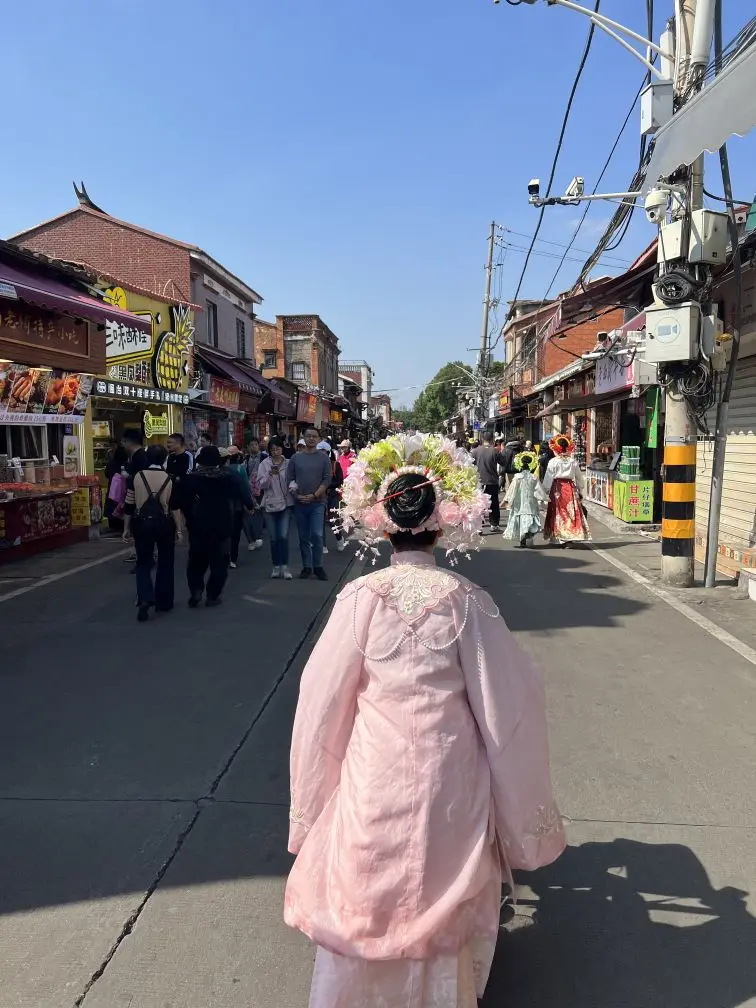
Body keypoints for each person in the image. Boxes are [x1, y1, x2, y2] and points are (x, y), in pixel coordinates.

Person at [285, 432, 565, 1008]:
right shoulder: (466, 598)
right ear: (440, 525)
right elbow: (508, 701)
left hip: (376, 768)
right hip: (448, 768)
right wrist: (515, 800)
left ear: (383, 524)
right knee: (441, 873)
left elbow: (321, 701)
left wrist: (314, 798)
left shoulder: (360, 598)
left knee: (370, 875)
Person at [179, 446, 253, 607]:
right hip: (222, 524)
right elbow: (244, 494)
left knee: (196, 561)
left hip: (198, 525)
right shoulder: (228, 477)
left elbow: (182, 501)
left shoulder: (192, 479)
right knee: (220, 562)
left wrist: (188, 517)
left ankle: (196, 590)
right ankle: (212, 594)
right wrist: (249, 505)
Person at [122, 444, 175, 622]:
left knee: (143, 562)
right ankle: (164, 601)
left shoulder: (136, 477)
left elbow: (129, 504)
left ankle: (145, 598)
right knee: (166, 562)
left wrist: (126, 528)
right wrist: (179, 529)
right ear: (164, 459)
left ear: (147, 458)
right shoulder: (169, 478)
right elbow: (174, 506)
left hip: (142, 523)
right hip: (164, 523)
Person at [288, 427, 332, 580]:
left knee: (317, 534)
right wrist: (297, 496)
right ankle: (307, 566)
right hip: (300, 503)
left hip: (318, 503)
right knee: (303, 537)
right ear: (303, 437)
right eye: (308, 436)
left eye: (314, 436)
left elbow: (327, 479)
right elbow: (290, 479)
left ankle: (318, 566)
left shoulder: (324, 458)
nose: (311, 439)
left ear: (319, 439)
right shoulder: (295, 458)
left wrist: (314, 495)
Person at [542, 434, 591, 546]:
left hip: (557, 488)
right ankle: (569, 536)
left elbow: (548, 478)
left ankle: (559, 536)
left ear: (557, 448)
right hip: (569, 488)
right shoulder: (572, 461)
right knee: (570, 511)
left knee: (558, 512)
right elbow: (579, 477)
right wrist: (580, 489)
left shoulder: (553, 461)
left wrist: (545, 491)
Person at [257, 437, 295, 580]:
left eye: (277, 449)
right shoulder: (264, 464)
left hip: (286, 503)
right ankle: (276, 566)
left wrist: (293, 487)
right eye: (272, 450)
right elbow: (260, 485)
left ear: (282, 449)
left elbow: (293, 480)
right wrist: (269, 475)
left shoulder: (289, 463)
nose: (275, 452)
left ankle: (284, 566)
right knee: (273, 538)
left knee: (283, 536)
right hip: (269, 504)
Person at [503, 449, 543, 548]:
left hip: (519, 501)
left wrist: (506, 500)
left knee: (520, 518)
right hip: (531, 501)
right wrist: (543, 499)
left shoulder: (517, 477)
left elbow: (511, 490)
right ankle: (528, 535)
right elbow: (539, 490)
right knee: (530, 517)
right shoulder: (533, 477)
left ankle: (522, 540)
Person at [225, 446, 257, 568]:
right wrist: (250, 503)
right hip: (237, 506)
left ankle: (224, 556)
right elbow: (245, 487)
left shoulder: (220, 471)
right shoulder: (240, 469)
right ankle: (232, 558)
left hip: (222, 507)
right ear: (238, 456)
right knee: (235, 533)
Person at [471, 431, 504, 531]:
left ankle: (478, 526)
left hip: (479, 481)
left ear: (482, 439)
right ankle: (494, 524)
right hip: (492, 480)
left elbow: (471, 464)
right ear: (492, 439)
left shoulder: (475, 451)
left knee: (478, 504)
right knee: (494, 503)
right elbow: (503, 462)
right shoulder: (495, 451)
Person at [318, 443, 345, 555]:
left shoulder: (335, 464)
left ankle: (339, 538)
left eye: (324, 451)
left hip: (332, 495)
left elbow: (340, 480)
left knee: (333, 519)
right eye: (319, 451)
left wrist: (327, 485)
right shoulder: (315, 465)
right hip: (319, 496)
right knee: (320, 520)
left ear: (328, 452)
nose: (321, 454)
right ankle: (322, 544)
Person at [244, 437, 267, 552]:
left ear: (258, 446)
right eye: (251, 445)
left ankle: (258, 535)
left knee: (258, 511)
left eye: (255, 444)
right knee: (250, 512)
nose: (253, 446)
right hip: (249, 489)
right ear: (248, 447)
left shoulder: (264, 457)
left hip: (261, 488)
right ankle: (254, 537)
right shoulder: (245, 459)